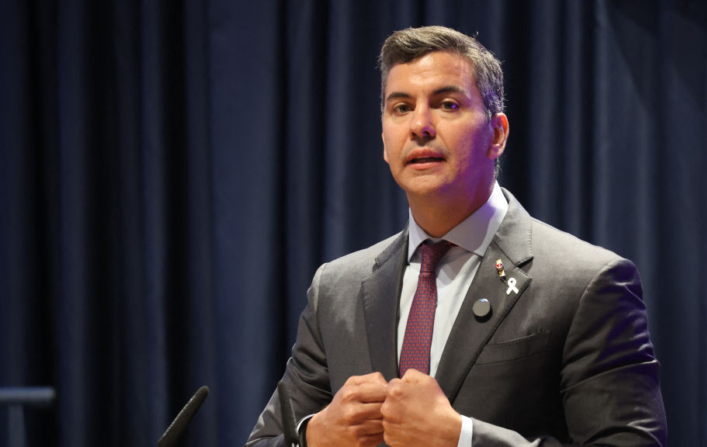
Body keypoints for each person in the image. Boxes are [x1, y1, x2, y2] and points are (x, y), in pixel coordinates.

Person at [246, 26, 666, 447]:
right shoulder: (337, 290)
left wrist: (462, 439)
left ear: (497, 134)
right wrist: (312, 437)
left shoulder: (585, 282)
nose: (420, 126)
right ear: (384, 140)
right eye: (401, 107)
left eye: (447, 104)